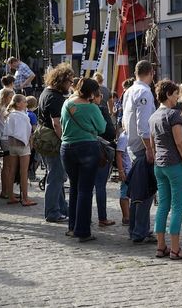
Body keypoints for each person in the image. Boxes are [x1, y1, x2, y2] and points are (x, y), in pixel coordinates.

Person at [149, 79, 182, 260]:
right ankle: (176, 249)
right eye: (176, 94)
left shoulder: (153, 116)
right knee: (177, 207)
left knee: (163, 206)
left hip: (159, 165)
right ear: (168, 94)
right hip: (175, 164)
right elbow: (180, 143)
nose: (178, 97)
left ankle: (161, 246)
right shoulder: (174, 115)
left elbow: (152, 145)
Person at [60, 78, 106, 242]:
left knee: (74, 187)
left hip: (67, 148)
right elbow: (102, 128)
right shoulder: (92, 107)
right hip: (87, 147)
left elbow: (61, 122)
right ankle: (83, 230)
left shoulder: (67, 103)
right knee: (85, 190)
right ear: (92, 93)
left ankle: (72, 227)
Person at [122, 61, 157, 244]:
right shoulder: (144, 92)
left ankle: (136, 228)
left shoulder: (129, 91)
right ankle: (139, 230)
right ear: (150, 73)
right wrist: (150, 148)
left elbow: (125, 119)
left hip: (132, 143)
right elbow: (143, 123)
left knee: (138, 190)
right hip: (142, 146)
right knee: (145, 191)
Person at [39, 63, 74, 223]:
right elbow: (57, 123)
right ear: (61, 80)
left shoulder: (47, 92)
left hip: (46, 139)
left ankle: (61, 208)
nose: (71, 84)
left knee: (57, 177)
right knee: (55, 177)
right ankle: (52, 212)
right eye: (69, 81)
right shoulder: (54, 97)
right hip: (53, 141)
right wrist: (65, 139)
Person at [4, 94, 36, 206]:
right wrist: (30, 143)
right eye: (24, 102)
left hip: (12, 145)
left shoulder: (10, 114)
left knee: (12, 170)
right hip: (22, 145)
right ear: (18, 103)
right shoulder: (23, 116)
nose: (26, 104)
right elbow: (27, 132)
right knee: (23, 172)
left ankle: (11, 196)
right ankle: (25, 198)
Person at [93, 87, 116, 227]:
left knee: (83, 187)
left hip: (80, 148)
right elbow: (109, 132)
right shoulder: (100, 109)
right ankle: (102, 218)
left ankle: (82, 219)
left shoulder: (73, 106)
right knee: (100, 185)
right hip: (99, 149)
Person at [0, 88, 15, 199]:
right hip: (6, 139)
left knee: (8, 166)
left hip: (5, 138)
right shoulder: (4, 109)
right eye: (10, 97)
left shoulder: (1, 108)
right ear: (5, 97)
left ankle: (7, 190)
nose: (12, 99)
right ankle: (5, 191)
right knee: (8, 166)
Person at [115, 128, 131, 226]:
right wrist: (121, 171)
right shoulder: (124, 136)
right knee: (125, 194)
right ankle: (126, 217)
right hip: (127, 170)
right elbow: (119, 154)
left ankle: (131, 216)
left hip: (134, 169)